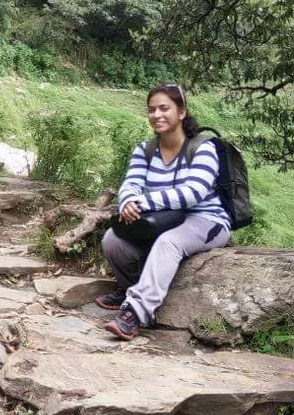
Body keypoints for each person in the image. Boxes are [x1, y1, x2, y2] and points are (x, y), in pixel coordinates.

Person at [97, 83, 231, 340]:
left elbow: (194, 192)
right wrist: (128, 202)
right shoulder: (145, 151)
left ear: (181, 112)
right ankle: (130, 290)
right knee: (113, 240)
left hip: (206, 220)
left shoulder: (203, 148)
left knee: (168, 243)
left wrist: (144, 203)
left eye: (164, 108)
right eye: (151, 110)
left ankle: (134, 314)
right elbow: (132, 183)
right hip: (164, 219)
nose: (156, 115)